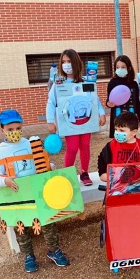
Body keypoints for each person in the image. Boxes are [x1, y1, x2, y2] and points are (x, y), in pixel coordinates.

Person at [0, 109, 69, 273]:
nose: (15, 132)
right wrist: (5, 180)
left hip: (38, 192)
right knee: (21, 226)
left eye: (18, 128)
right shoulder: (0, 153)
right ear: (2, 129)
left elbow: (42, 163)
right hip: (17, 195)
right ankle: (28, 255)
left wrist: (50, 168)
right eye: (10, 129)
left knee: (48, 220)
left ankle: (53, 250)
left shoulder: (30, 144)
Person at [46, 49, 106, 186]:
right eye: (63, 62)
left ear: (77, 63)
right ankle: (68, 174)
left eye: (69, 61)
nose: (66, 65)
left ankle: (84, 173)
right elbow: (51, 102)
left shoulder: (86, 81)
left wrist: (101, 113)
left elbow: (94, 99)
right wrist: (50, 121)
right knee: (72, 148)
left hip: (86, 121)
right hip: (69, 123)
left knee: (85, 146)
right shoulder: (58, 83)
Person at [97, 111, 140, 184]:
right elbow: (102, 158)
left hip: (137, 187)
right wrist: (102, 173)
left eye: (121, 130)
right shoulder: (112, 145)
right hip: (115, 187)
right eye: (116, 129)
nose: (117, 132)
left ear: (134, 132)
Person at [106, 55, 140, 138]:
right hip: (117, 116)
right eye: (117, 67)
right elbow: (108, 100)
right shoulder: (112, 83)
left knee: (130, 139)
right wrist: (109, 104)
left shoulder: (133, 84)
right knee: (118, 140)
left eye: (123, 67)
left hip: (130, 115)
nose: (120, 69)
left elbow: (137, 102)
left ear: (129, 68)